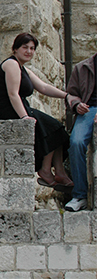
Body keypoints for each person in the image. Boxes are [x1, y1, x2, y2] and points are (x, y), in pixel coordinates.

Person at [0, 32, 75, 191]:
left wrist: (67, 96)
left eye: (32, 48)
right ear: (15, 49)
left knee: (58, 130)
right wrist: (24, 117)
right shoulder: (11, 64)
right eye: (25, 47)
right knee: (51, 129)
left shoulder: (23, 69)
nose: (29, 51)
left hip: (20, 107)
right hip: (8, 110)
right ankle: (46, 170)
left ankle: (59, 172)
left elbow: (43, 87)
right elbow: (12, 94)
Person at [64, 52, 97, 211]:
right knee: (76, 142)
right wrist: (77, 105)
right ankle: (80, 195)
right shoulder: (82, 67)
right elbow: (72, 94)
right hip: (88, 110)